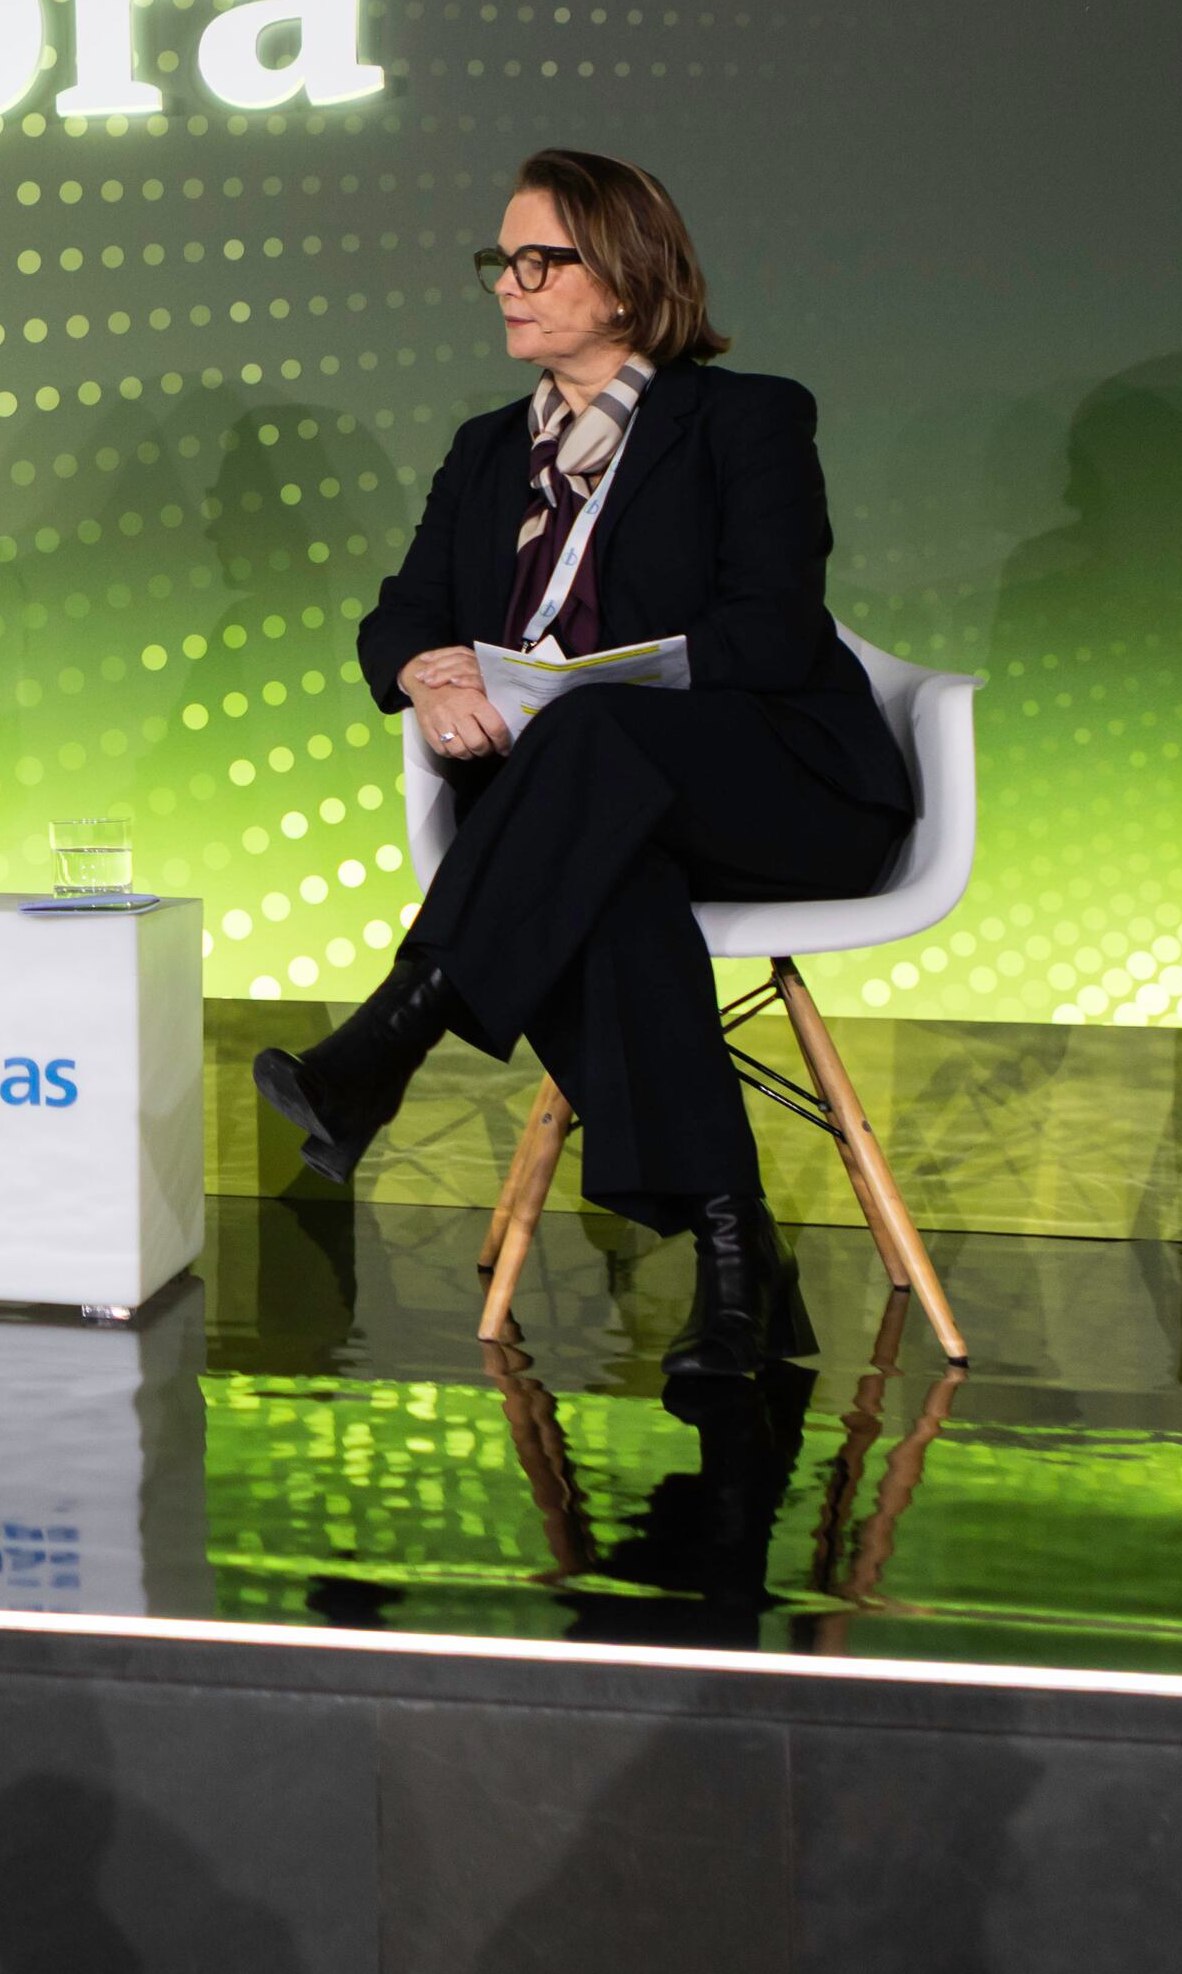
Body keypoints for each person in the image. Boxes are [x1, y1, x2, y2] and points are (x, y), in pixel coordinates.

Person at [259, 149, 914, 1384]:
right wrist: (428, 675)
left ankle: (393, 1035)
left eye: (537, 259)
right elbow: (397, 616)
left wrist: (594, 685)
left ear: (625, 275)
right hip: (591, 822)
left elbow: (773, 630)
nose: (507, 284)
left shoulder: (746, 419)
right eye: (497, 261)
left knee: (590, 741)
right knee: (607, 880)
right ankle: (738, 1263)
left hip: (775, 788)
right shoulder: (481, 450)